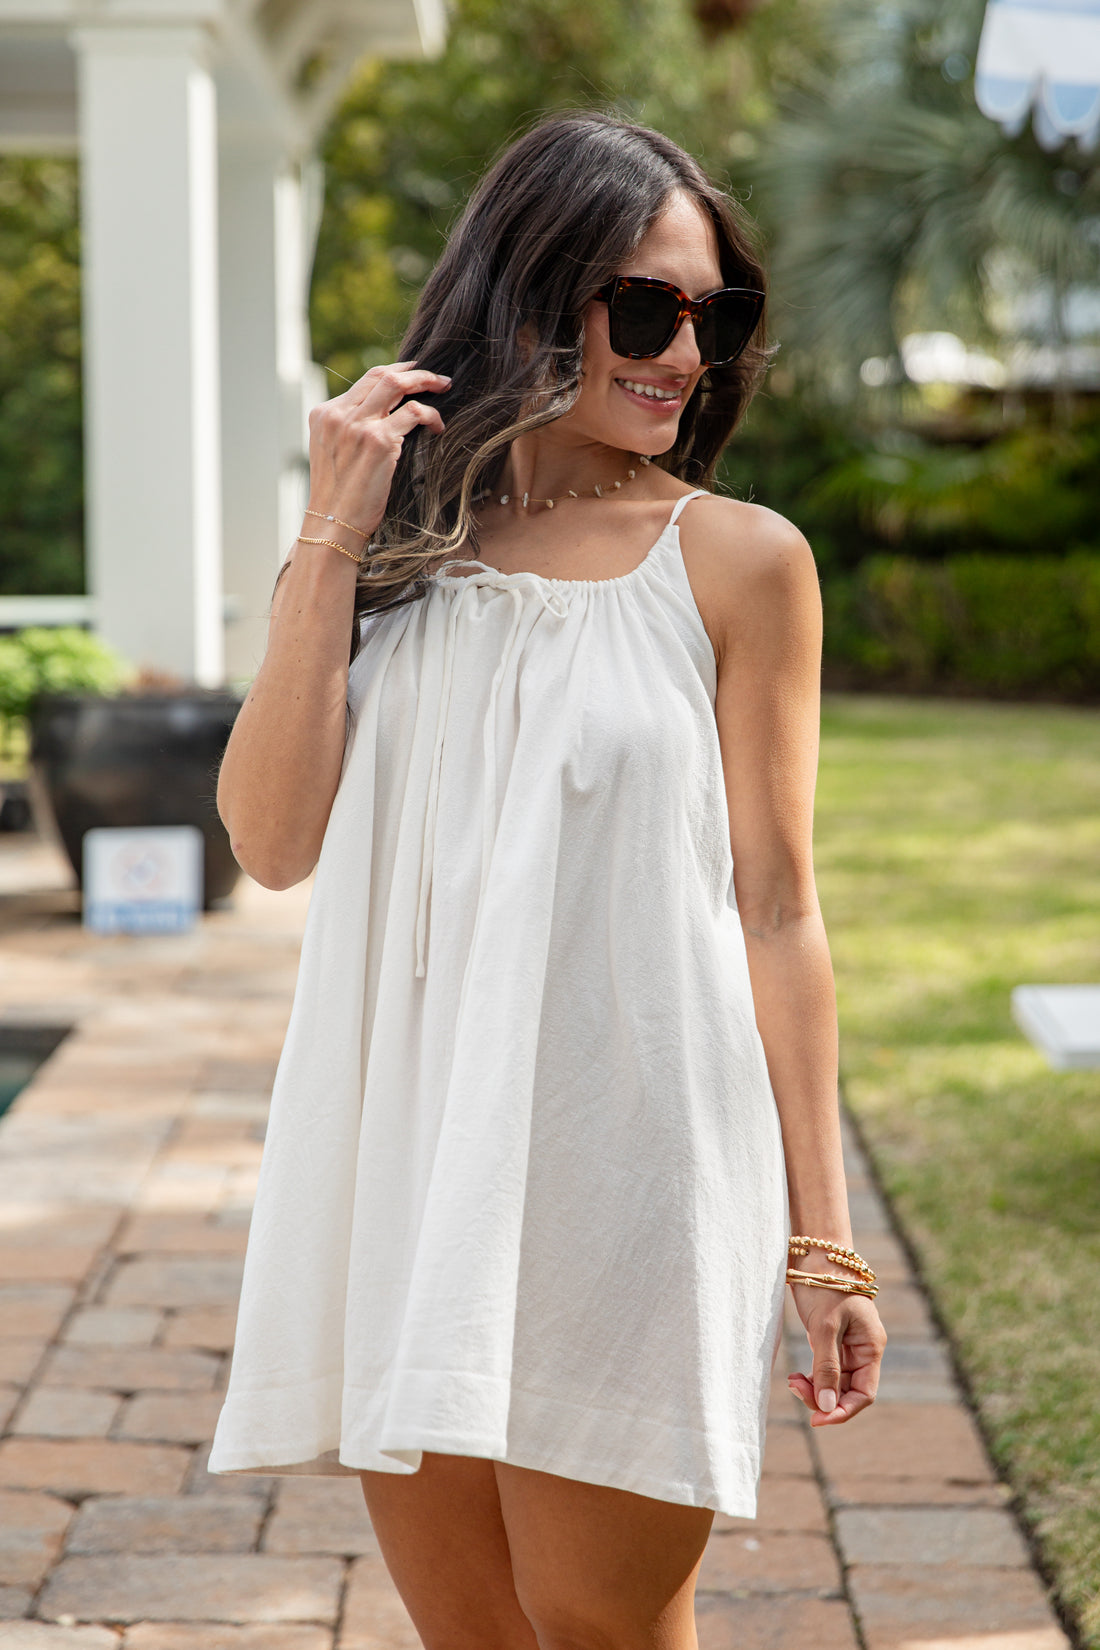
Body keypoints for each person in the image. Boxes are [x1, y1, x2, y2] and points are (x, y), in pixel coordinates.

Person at [208, 110, 887, 1650]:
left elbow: (777, 905)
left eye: (716, 317)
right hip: (412, 1159)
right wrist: (328, 538)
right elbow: (268, 841)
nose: (686, 354)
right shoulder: (382, 559)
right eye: (646, 306)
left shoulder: (739, 561)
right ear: (530, 291)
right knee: (473, 1633)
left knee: (604, 1628)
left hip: (631, 1170)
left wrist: (825, 1242)